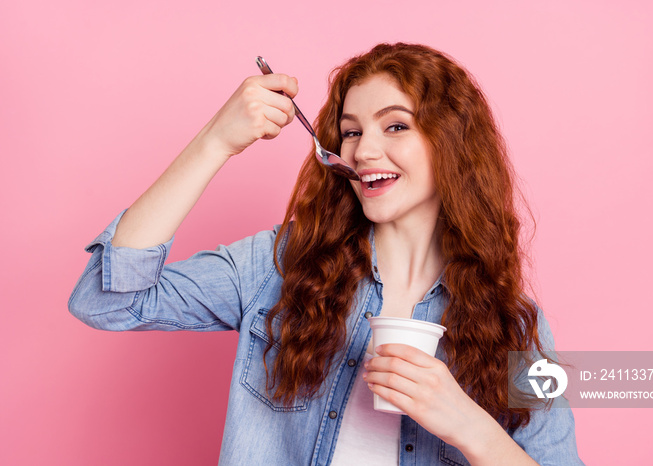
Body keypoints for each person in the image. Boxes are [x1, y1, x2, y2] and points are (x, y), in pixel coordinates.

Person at [69, 43, 583, 465]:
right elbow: (106, 300)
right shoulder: (281, 266)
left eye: (396, 126)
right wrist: (214, 143)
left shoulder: (518, 331)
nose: (362, 151)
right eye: (352, 131)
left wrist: (468, 425)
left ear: (452, 144)